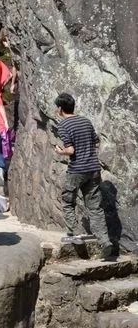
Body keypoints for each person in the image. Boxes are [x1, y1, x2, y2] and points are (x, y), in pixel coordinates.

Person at [54, 93, 116, 260]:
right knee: (95, 208)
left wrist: (61, 152)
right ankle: (105, 241)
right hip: (93, 169)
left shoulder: (63, 125)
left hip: (76, 170)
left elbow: (70, 150)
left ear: (60, 108)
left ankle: (74, 234)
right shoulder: (86, 121)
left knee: (68, 202)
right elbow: (96, 140)